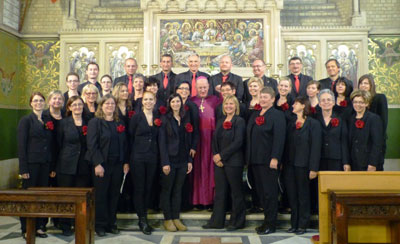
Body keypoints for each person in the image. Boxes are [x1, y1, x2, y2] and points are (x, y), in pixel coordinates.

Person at [86, 94, 129, 237]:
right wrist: (97, 163)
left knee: (114, 195)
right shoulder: (95, 122)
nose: (110, 106)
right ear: (101, 106)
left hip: (117, 164)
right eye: (107, 104)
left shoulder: (119, 122)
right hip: (102, 165)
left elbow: (124, 144)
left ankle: (112, 223)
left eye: (112, 104)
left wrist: (125, 162)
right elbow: (92, 145)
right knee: (101, 196)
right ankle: (100, 224)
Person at [246, 87, 286, 235]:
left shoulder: (277, 115)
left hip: (268, 160)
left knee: (270, 193)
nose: (262, 99)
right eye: (261, 97)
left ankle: (271, 224)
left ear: (272, 99)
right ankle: (265, 222)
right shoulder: (255, 114)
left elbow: (279, 138)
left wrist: (275, 157)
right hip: (255, 160)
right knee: (262, 193)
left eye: (265, 97)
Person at [203, 95, 246, 230]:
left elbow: (238, 142)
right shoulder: (220, 120)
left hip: (234, 162)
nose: (228, 106)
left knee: (236, 193)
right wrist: (216, 155)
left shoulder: (240, 121)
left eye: (231, 104)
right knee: (220, 192)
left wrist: (221, 155)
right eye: (226, 104)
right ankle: (217, 221)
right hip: (219, 162)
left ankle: (236, 222)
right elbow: (214, 140)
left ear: (236, 106)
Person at [17, 92, 55, 239]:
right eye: (36, 101)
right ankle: (26, 228)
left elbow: (50, 144)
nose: (39, 103)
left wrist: (51, 165)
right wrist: (23, 168)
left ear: (45, 103)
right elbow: (21, 146)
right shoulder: (26, 121)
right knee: (29, 196)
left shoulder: (46, 119)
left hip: (45, 164)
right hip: (31, 165)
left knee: (42, 196)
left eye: (41, 101)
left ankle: (39, 226)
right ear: (31, 103)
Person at [129, 91, 168, 235]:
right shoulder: (136, 117)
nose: (148, 102)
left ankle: (145, 215)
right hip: (138, 157)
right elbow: (130, 138)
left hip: (153, 157)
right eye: (146, 99)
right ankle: (142, 219)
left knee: (148, 187)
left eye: (151, 99)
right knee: (139, 188)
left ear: (155, 100)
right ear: (142, 101)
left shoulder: (159, 117)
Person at [283, 96, 321, 235]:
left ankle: (303, 224)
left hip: (304, 165)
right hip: (290, 165)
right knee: (292, 195)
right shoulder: (291, 123)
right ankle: (294, 223)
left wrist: (313, 168)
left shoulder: (313, 124)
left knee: (303, 195)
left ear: (303, 106)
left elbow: (316, 147)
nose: (293, 105)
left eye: (296, 103)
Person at [56, 96, 91, 236]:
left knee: (81, 197)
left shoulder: (89, 122)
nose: (77, 107)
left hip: (83, 165)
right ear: (69, 107)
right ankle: (65, 224)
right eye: (74, 105)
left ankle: (79, 223)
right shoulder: (63, 123)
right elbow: (58, 144)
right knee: (66, 196)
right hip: (66, 165)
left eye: (80, 105)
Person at [160, 94, 194, 232]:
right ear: (169, 104)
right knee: (167, 190)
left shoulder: (185, 118)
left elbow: (188, 141)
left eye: (178, 101)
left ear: (181, 103)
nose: (175, 103)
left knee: (178, 190)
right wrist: (165, 162)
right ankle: (168, 219)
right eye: (173, 101)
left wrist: (189, 161)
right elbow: (162, 143)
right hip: (170, 160)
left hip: (182, 159)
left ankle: (176, 218)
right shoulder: (165, 119)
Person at [190, 76, 221, 207]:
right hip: (197, 140)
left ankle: (209, 200)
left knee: (210, 169)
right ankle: (197, 200)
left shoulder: (216, 100)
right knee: (197, 170)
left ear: (209, 87)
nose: (202, 90)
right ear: (195, 88)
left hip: (211, 139)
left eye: (204, 87)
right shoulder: (191, 101)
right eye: (200, 87)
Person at [175, 81, 199, 210]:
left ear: (190, 92)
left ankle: (185, 204)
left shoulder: (192, 106)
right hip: (174, 148)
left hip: (187, 146)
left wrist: (193, 146)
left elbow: (196, 128)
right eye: (181, 88)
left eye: (186, 89)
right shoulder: (173, 103)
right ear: (177, 90)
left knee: (186, 177)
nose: (184, 91)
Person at [358, 74, 388, 170]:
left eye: (366, 83)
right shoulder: (357, 100)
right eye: (361, 83)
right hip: (362, 143)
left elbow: (384, 121)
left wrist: (378, 141)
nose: (363, 85)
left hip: (376, 141)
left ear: (371, 85)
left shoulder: (379, 98)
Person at [349, 90, 383, 171]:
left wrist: (372, 163)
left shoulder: (374, 118)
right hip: (354, 162)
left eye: (361, 102)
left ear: (367, 103)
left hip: (368, 163)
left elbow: (377, 143)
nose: (358, 105)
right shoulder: (350, 119)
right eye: (355, 102)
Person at [317, 89, 350, 171]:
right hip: (319, 160)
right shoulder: (314, 119)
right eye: (323, 100)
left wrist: (346, 162)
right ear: (319, 103)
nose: (326, 102)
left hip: (336, 160)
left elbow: (344, 142)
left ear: (333, 102)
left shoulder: (341, 119)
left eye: (329, 100)